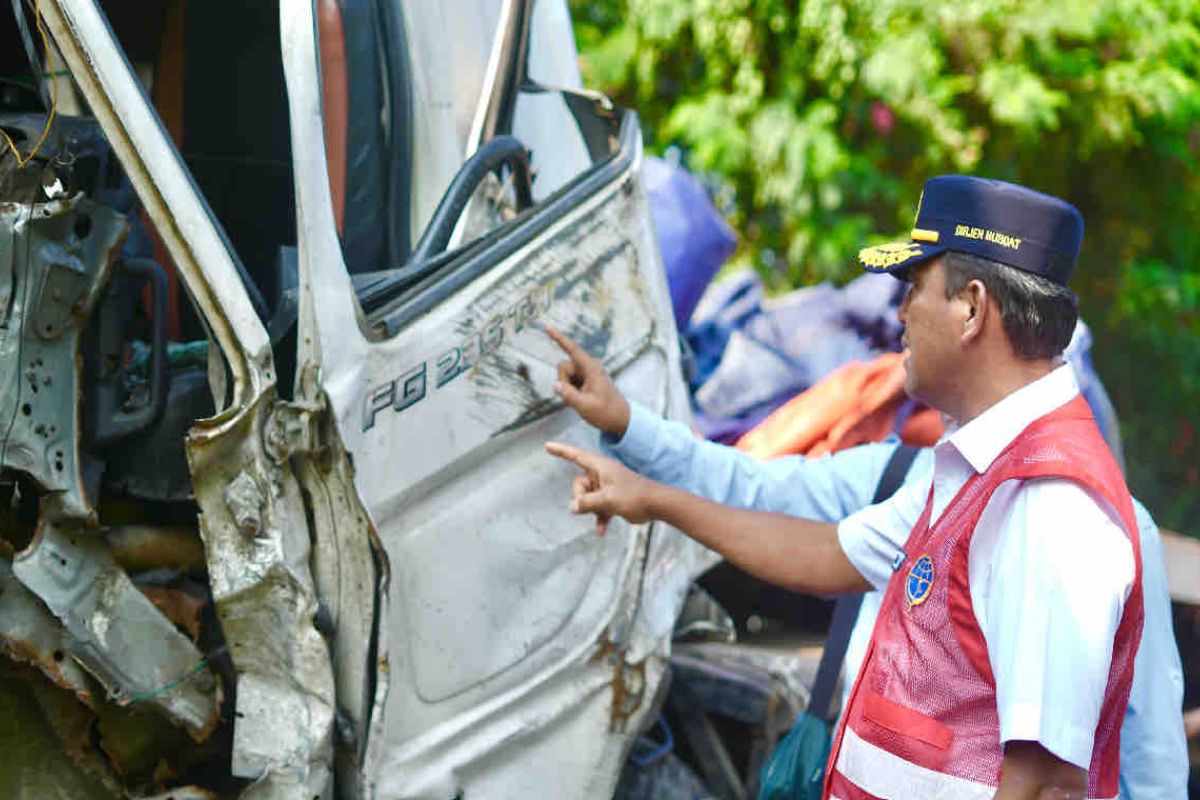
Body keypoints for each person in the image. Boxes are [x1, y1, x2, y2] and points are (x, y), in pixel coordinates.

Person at [546, 176, 1146, 799]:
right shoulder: (976, 467)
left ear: (970, 308)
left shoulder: (1048, 503)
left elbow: (1046, 783)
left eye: (913, 290)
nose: (899, 314)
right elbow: (830, 553)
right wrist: (651, 498)